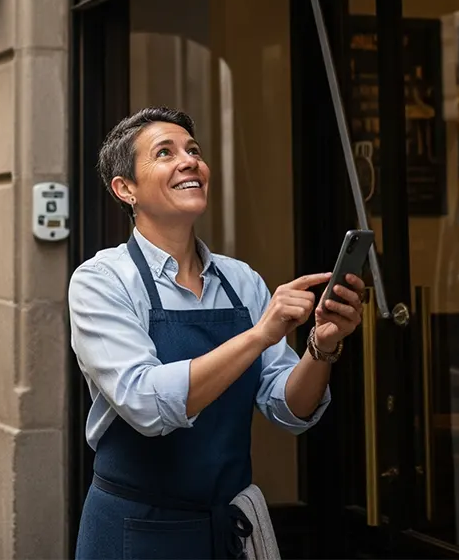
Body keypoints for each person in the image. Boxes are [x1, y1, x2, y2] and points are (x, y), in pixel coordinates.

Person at [69, 106, 368, 560]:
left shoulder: (240, 280)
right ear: (125, 188)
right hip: (135, 531)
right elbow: (147, 404)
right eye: (164, 153)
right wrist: (258, 335)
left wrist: (321, 346)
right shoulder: (101, 281)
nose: (189, 161)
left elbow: (289, 408)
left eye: (194, 150)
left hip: (223, 533)